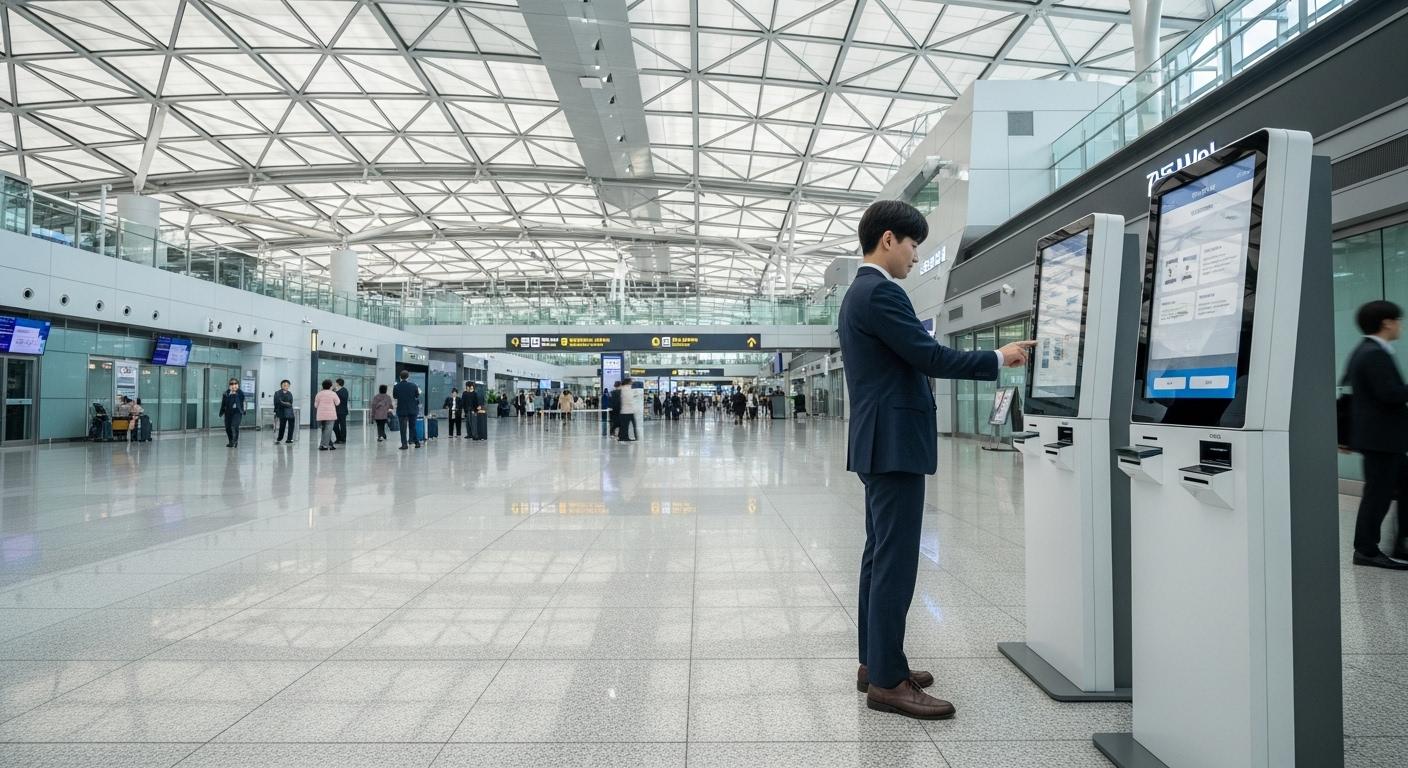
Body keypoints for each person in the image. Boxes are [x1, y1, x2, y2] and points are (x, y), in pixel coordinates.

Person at [839, 200, 1034, 720]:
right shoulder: (881, 292)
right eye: (912, 244)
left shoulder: (858, 294)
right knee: (894, 563)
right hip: (894, 445)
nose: (915, 255)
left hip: (881, 443)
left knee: (879, 556)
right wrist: (999, 357)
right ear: (887, 240)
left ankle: (876, 662)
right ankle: (885, 681)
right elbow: (930, 357)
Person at [1344, 300, 1408, 569]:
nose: (1401, 326)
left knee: (1397, 488)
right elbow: (1389, 395)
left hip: (1382, 439)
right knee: (1377, 495)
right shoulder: (1373, 354)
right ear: (1387, 323)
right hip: (1381, 440)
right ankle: (1367, 549)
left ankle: (1400, 543)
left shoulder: (1368, 350)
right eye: (1398, 321)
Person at [392, 370, 421, 450]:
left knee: (403, 428)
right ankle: (417, 443)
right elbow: (417, 395)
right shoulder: (414, 385)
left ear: (400, 377)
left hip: (402, 410)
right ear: (408, 377)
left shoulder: (396, 386)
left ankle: (404, 445)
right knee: (413, 426)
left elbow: (395, 397)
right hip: (412, 409)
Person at [219, 378, 246, 448]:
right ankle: (231, 441)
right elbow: (223, 403)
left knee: (234, 426)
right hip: (228, 412)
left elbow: (243, 402)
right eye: (231, 384)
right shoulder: (226, 393)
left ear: (238, 385)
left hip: (237, 412)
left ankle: (235, 441)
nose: (233, 385)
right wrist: (221, 412)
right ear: (229, 385)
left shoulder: (240, 393)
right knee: (228, 428)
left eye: (235, 384)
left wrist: (244, 411)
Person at [314, 379, 339, 451]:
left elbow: (316, 405)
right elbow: (338, 403)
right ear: (330, 386)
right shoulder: (333, 393)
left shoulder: (319, 394)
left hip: (321, 415)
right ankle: (323, 445)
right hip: (330, 415)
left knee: (325, 430)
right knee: (328, 430)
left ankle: (330, 445)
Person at [274, 379, 295, 444]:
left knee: (291, 425)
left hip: (290, 412)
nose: (286, 386)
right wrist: (286, 403)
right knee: (282, 426)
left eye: (287, 385)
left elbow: (291, 403)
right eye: (284, 385)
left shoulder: (290, 393)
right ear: (281, 385)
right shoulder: (277, 393)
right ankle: (279, 438)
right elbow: (278, 402)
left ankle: (289, 439)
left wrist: (284, 403)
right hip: (282, 412)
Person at [333, 378, 349, 444]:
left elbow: (343, 399)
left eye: (335, 382)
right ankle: (338, 438)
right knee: (335, 425)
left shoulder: (344, 390)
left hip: (342, 411)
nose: (334, 384)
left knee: (343, 426)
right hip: (335, 411)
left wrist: (336, 393)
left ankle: (343, 439)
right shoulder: (334, 390)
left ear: (338, 383)